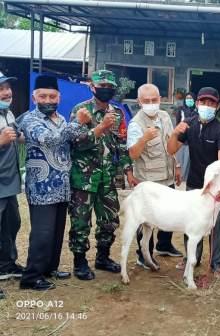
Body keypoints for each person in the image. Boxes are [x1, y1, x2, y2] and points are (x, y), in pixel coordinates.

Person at [19, 75, 91, 291]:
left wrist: (86, 127)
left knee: (57, 232)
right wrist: (77, 122)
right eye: (43, 96)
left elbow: (73, 138)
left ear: (59, 97)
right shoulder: (30, 120)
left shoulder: (60, 119)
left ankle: (49, 268)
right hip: (41, 187)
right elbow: (51, 139)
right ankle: (31, 276)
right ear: (34, 98)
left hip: (62, 186)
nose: (48, 100)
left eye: (52, 96)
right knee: (42, 233)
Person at [69, 70, 138, 281]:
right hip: (84, 177)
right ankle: (80, 262)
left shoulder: (117, 113)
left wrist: (128, 171)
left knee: (109, 219)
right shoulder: (81, 110)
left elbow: (121, 144)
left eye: (110, 87)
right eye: (102, 86)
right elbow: (76, 142)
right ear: (92, 86)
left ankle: (103, 257)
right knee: (81, 221)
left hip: (108, 177)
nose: (106, 89)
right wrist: (101, 127)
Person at [167, 87, 220, 278]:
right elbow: (171, 149)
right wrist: (175, 133)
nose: (207, 106)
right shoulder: (188, 124)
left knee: (216, 225)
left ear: (217, 106)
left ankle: (217, 263)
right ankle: (191, 257)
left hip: (215, 187)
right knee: (191, 222)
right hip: (194, 183)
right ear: (197, 104)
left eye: (211, 103)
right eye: (203, 102)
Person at [127, 84, 183, 267]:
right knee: (146, 219)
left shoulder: (165, 116)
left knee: (171, 213)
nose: (151, 104)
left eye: (154, 100)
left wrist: (177, 165)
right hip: (148, 181)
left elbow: (170, 143)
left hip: (166, 177)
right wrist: (144, 138)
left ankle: (164, 244)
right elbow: (133, 154)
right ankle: (143, 254)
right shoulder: (136, 124)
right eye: (146, 101)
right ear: (139, 102)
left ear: (160, 99)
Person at [0, 71, 23, 282]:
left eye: (8, 87)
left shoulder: (8, 114)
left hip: (9, 182)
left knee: (12, 223)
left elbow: (16, 135)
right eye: (1, 89)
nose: (7, 92)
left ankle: (6, 265)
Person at [174, 92, 196, 182]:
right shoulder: (181, 110)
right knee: (179, 157)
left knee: (188, 158)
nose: (189, 100)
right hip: (181, 137)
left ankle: (185, 177)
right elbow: (177, 122)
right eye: (187, 98)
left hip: (191, 138)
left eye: (191, 98)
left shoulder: (197, 110)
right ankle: (178, 176)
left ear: (194, 100)